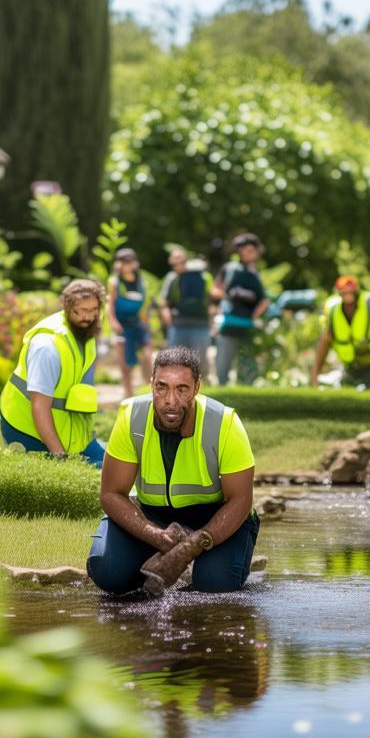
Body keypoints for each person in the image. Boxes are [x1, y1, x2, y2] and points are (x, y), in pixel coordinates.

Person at [87, 346, 260, 595]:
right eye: (162, 387)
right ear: (151, 384)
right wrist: (155, 536)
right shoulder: (131, 417)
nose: (170, 400)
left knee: (214, 585)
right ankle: (151, 560)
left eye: (182, 389)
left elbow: (241, 500)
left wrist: (191, 546)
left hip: (215, 516)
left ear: (197, 388)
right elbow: (111, 494)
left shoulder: (225, 423)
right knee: (109, 572)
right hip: (153, 514)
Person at [0, 278, 106, 466]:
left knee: (113, 466)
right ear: (67, 307)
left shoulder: (83, 335)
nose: (87, 317)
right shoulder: (47, 347)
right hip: (27, 429)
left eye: (93, 310)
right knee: (98, 472)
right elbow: (39, 406)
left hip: (64, 426)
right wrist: (60, 456)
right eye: (79, 311)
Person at [310, 275, 370, 389]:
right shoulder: (332, 309)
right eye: (344, 293)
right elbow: (325, 341)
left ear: (357, 291)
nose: (348, 297)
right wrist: (315, 373)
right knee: (346, 394)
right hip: (350, 364)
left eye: (350, 292)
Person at [212, 233, 270, 386]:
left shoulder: (255, 275)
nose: (249, 254)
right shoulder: (230, 269)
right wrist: (226, 298)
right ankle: (222, 391)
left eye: (252, 251)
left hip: (247, 328)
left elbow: (264, 301)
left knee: (247, 368)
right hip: (228, 325)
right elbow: (215, 290)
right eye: (246, 250)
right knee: (222, 367)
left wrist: (254, 316)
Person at [156, 247, 214, 373]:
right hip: (179, 324)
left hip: (199, 324)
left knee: (199, 362)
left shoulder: (202, 276)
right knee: (175, 360)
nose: (178, 266)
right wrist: (169, 321)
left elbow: (211, 299)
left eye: (181, 262)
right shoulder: (173, 278)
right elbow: (164, 303)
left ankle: (201, 383)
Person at [107, 247, 152, 399]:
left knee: (147, 356)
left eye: (128, 261)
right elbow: (110, 304)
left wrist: (146, 323)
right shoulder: (114, 282)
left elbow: (146, 304)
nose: (125, 265)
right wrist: (113, 321)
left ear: (134, 263)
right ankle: (128, 393)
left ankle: (149, 390)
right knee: (125, 363)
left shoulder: (142, 282)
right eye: (122, 262)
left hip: (138, 323)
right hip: (122, 325)